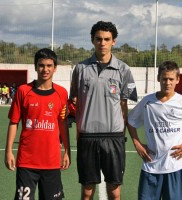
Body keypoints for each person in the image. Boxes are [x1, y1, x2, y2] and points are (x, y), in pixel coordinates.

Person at [69, 21, 138, 200]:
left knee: (114, 191)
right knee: (87, 192)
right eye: (98, 39)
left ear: (114, 41)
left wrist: (121, 135)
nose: (102, 43)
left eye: (107, 39)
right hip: (87, 136)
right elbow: (74, 102)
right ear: (92, 40)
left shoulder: (124, 69)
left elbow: (124, 105)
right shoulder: (80, 69)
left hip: (113, 137)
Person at [128, 61, 182, 200]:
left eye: (171, 79)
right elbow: (130, 121)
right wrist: (137, 143)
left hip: (175, 166)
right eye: (164, 78)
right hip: (151, 165)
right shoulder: (147, 102)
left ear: (178, 80)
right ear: (158, 79)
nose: (167, 82)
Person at [4, 48, 70, 200]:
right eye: (41, 65)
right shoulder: (23, 91)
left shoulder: (61, 93)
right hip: (27, 162)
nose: (45, 69)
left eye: (49, 66)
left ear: (55, 68)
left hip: (52, 162)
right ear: (35, 67)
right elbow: (13, 122)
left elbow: (62, 124)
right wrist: (8, 151)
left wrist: (67, 151)